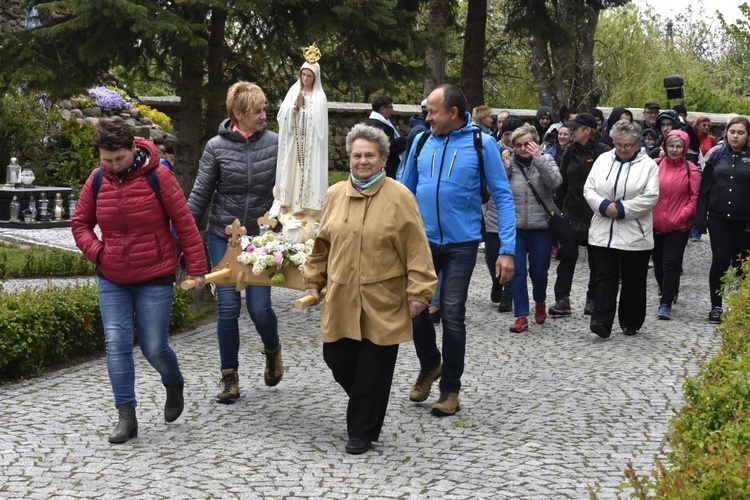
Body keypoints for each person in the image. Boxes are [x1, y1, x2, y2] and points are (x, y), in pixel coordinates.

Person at [303, 124, 437, 455]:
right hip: (341, 296)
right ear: (349, 158)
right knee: (336, 357)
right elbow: (322, 244)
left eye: (370, 155)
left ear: (383, 159)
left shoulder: (400, 197)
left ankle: (360, 432)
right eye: (357, 155)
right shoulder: (335, 194)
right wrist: (314, 280)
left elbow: (417, 248)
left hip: (383, 299)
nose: (363, 161)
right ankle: (369, 402)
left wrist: (420, 292)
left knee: (373, 369)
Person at [71, 118, 207, 444]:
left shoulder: (158, 176)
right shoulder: (97, 180)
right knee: (116, 344)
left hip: (154, 276)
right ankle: (126, 416)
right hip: (112, 278)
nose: (114, 166)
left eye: (119, 158)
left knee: (154, 346)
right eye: (107, 160)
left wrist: (197, 267)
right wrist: (100, 254)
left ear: (133, 148)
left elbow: (184, 222)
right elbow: (80, 224)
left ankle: (174, 382)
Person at [398, 84, 516, 416]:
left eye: (433, 111)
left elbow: (503, 196)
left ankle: (450, 389)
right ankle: (430, 363)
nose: (427, 116)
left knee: (451, 313)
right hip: (421, 241)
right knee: (413, 308)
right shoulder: (420, 140)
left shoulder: (482, 143)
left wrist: (506, 248)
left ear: (453, 113)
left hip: (462, 243)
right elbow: (403, 192)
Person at [188, 82, 282, 404]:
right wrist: (182, 238)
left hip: (261, 239)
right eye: (257, 111)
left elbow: (287, 193)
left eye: (264, 109)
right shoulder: (215, 146)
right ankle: (229, 377)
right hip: (223, 238)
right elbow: (200, 195)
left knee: (259, 309)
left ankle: (272, 350)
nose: (264, 115)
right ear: (238, 114)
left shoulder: (276, 144)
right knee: (227, 308)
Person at [584, 120, 659, 337]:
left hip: (635, 231)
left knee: (633, 278)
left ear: (637, 143)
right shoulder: (602, 160)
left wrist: (623, 209)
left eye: (627, 145)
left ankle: (631, 320)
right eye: (618, 145)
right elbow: (589, 189)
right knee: (604, 276)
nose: (622, 149)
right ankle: (601, 320)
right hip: (603, 229)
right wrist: (604, 206)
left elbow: (651, 197)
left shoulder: (649, 166)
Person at [549, 113, 610, 317]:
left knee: (596, 260)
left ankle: (592, 299)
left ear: (587, 130)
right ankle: (562, 299)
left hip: (595, 214)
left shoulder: (603, 152)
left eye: (575, 128)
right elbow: (562, 182)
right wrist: (560, 209)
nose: (571, 132)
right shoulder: (571, 151)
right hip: (571, 212)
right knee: (567, 256)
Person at [502, 124, 561, 332]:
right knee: (517, 272)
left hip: (541, 227)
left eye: (527, 144)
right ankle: (521, 315)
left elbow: (555, 183)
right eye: (518, 145)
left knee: (539, 272)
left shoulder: (546, 160)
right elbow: (496, 191)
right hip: (516, 228)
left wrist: (539, 160)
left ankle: (540, 300)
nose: (523, 148)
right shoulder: (508, 163)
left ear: (535, 142)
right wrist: (506, 168)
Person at [696, 116, 750, 324]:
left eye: (740, 133)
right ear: (726, 132)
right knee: (719, 260)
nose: (735, 136)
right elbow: (705, 188)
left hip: (743, 220)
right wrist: (700, 218)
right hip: (719, 218)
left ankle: (740, 306)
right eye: (732, 132)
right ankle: (716, 306)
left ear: (747, 135)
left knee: (741, 264)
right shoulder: (717, 155)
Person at [652, 130, 701, 320]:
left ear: (685, 148)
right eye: (671, 145)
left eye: (678, 146)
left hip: (679, 225)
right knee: (658, 265)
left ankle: (665, 303)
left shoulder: (691, 170)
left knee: (671, 264)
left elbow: (694, 197)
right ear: (665, 146)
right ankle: (669, 290)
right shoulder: (654, 166)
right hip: (655, 223)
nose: (674, 150)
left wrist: (683, 215)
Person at [273, 50, 328, 218]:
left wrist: (303, 111)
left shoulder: (319, 97)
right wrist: (294, 109)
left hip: (310, 146)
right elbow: (281, 115)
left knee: (305, 173)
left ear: (315, 78)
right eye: (303, 74)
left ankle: (303, 207)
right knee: (289, 169)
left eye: (309, 76)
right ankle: (286, 201)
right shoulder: (293, 91)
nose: (305, 79)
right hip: (293, 142)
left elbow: (319, 126)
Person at [365, 95, 407, 178]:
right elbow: (384, 146)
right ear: (383, 109)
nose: (392, 110)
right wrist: (402, 143)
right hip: (385, 167)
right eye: (390, 107)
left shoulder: (383, 122)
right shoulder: (376, 125)